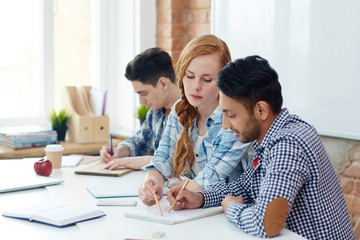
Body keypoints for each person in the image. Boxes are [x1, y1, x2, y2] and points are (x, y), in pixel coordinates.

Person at [167, 56, 355, 240]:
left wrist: (231, 207)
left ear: (261, 110)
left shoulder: (288, 145)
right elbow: (243, 187)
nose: (225, 125)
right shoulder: (271, 137)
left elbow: (264, 224)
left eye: (231, 115)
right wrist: (199, 198)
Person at [139, 35, 253, 206]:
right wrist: (151, 184)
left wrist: (177, 188)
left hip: (232, 212)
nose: (195, 86)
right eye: (189, 76)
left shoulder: (235, 117)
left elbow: (210, 179)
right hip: (198, 212)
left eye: (207, 79)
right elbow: (162, 158)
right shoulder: (180, 108)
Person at [99, 47, 180, 170]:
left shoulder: (191, 112)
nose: (141, 101)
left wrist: (134, 161)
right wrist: (119, 151)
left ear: (163, 83)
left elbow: (179, 163)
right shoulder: (156, 111)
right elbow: (142, 141)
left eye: (144, 93)